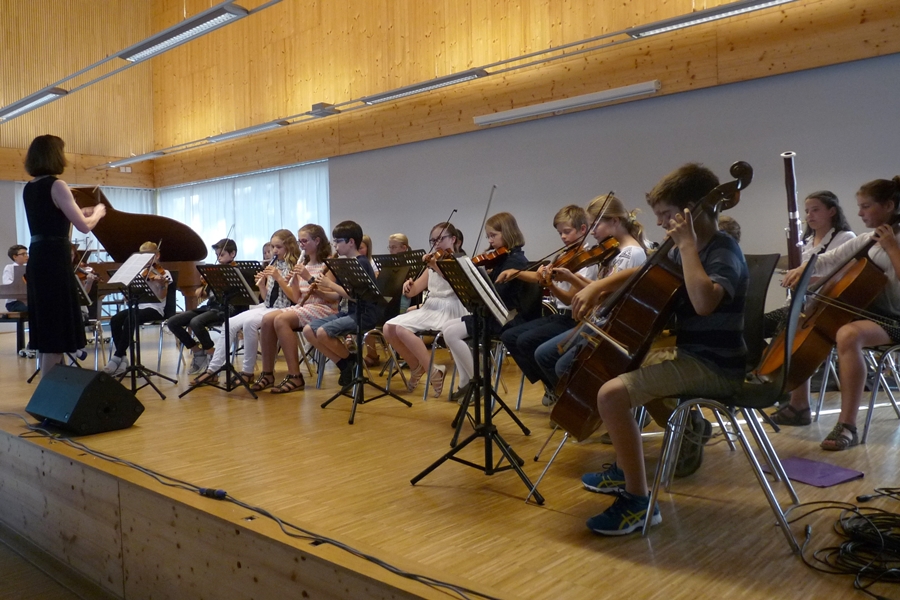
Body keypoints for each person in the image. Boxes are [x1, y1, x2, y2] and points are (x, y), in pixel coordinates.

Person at [570, 163, 748, 535]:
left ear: (692, 210)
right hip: (693, 356)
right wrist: (599, 287)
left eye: (667, 214)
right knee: (623, 368)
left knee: (612, 395)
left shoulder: (722, 249)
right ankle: (629, 466)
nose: (661, 223)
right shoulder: (686, 250)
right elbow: (646, 271)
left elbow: (704, 303)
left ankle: (638, 503)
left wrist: (687, 246)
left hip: (716, 364)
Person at [778, 177, 900, 450]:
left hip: (896, 320)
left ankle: (847, 426)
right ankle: (797, 402)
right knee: (797, 317)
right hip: (873, 316)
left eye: (866, 206)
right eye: (859, 206)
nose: (860, 213)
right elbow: (829, 259)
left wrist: (892, 247)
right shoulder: (868, 239)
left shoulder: (892, 240)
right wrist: (804, 268)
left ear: (889, 206)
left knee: (848, 335)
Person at [768, 191, 856, 426]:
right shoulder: (806, 241)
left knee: (793, 329)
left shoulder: (845, 238)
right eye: (807, 211)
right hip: (804, 305)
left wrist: (808, 280)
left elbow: (843, 274)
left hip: (826, 306)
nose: (809, 215)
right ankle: (773, 380)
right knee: (759, 324)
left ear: (832, 211)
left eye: (815, 210)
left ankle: (796, 401)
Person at [22, 135, 106, 371]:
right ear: (54, 155)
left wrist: (80, 211)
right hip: (54, 259)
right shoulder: (58, 185)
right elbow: (84, 227)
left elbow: (51, 215)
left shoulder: (29, 188)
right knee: (56, 330)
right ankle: (49, 387)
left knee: (48, 325)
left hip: (39, 256)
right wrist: (98, 212)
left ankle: (54, 382)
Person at [441, 212, 542, 402]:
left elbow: (498, 295)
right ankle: (465, 382)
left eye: (493, 235)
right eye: (488, 236)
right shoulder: (503, 259)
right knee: (446, 327)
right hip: (493, 314)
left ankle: (478, 382)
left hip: (505, 318)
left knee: (452, 334)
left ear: (508, 233)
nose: (490, 240)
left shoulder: (515, 261)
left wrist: (481, 280)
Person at [193, 230, 299, 385]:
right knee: (229, 324)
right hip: (267, 307)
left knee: (250, 323)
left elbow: (294, 298)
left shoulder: (294, 266)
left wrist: (278, 277)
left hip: (285, 309)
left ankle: (247, 372)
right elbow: (267, 298)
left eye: (279, 247)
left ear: (289, 247)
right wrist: (262, 285)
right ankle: (213, 370)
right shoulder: (274, 265)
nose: (274, 251)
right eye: (273, 247)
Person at [382, 223, 468, 397]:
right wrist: (408, 285)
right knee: (388, 328)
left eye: (440, 239)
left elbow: (456, 283)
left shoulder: (461, 261)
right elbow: (413, 291)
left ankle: (432, 371)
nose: (436, 243)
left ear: (453, 239)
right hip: (431, 307)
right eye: (433, 240)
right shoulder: (432, 264)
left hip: (451, 308)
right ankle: (416, 367)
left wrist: (435, 265)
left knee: (402, 329)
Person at [254, 224, 340, 393]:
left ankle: (295, 375)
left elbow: (331, 297)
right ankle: (267, 373)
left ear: (317, 241)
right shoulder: (303, 264)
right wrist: (290, 280)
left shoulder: (328, 263)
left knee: (281, 320)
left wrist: (308, 278)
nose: (301, 245)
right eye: (300, 241)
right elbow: (295, 298)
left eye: (304, 241)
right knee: (267, 319)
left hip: (324, 308)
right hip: (304, 307)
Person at [302, 221, 380, 386]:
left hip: (363, 314)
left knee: (323, 332)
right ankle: (346, 363)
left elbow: (356, 296)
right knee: (308, 330)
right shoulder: (345, 263)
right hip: (347, 312)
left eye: (338, 241)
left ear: (351, 242)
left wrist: (329, 284)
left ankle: (348, 362)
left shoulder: (361, 262)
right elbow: (339, 296)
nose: (335, 245)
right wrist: (320, 291)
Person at [167, 238, 241, 375]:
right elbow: (200, 294)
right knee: (172, 322)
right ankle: (198, 352)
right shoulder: (214, 271)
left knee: (196, 322)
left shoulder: (237, 271)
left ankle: (212, 355)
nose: (218, 258)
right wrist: (205, 285)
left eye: (222, 254)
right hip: (210, 307)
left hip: (226, 309)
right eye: (217, 255)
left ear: (233, 254)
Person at [102, 242, 172, 376]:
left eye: (148, 256)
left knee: (130, 318)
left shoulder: (164, 273)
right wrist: (128, 295)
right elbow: (133, 295)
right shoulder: (141, 273)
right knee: (115, 319)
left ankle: (117, 357)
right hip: (139, 307)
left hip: (155, 309)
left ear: (157, 256)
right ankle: (123, 358)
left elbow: (162, 296)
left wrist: (161, 284)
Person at [3, 245, 29, 313]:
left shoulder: (28, 268)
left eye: (27, 253)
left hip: (28, 299)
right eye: (23, 254)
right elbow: (7, 283)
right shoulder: (9, 268)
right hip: (14, 302)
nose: (26, 256)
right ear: (15, 257)